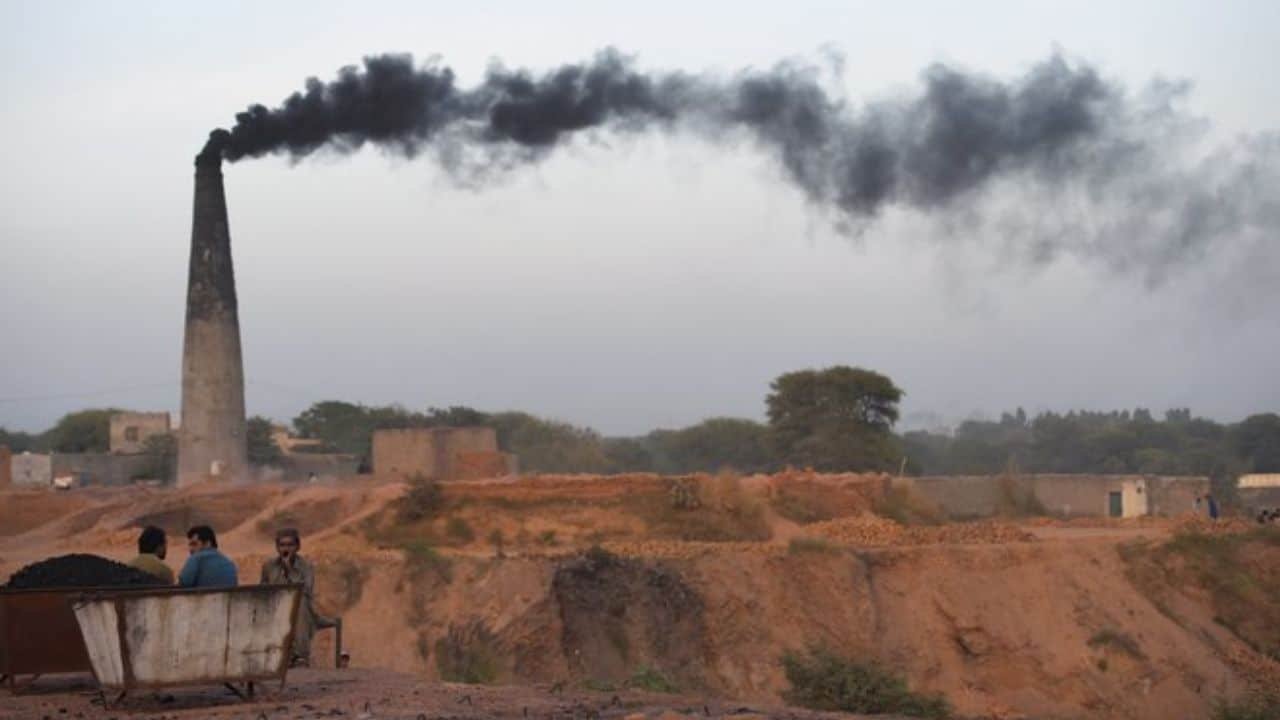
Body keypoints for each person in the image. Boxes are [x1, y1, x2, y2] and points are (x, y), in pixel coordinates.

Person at [260, 528, 328, 666]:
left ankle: (300, 655)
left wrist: (289, 570)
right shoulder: (269, 566)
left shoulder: (306, 567)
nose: (286, 548)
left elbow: (306, 590)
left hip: (300, 608)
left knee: (300, 602)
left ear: (297, 547)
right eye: (282, 545)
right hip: (276, 607)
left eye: (290, 545)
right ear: (277, 547)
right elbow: (263, 589)